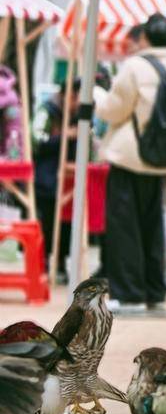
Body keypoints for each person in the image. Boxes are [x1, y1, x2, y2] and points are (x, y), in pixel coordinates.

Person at [94, 14, 166, 314]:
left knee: (124, 226)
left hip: (129, 155)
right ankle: (155, 290)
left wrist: (96, 95)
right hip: (160, 158)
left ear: (144, 37)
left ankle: (130, 295)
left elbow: (112, 111)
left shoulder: (135, 66)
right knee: (153, 226)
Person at [33, 79, 80, 281]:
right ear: (69, 95)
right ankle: (44, 265)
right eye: (77, 97)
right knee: (48, 224)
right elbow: (36, 142)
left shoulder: (78, 115)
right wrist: (64, 136)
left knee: (66, 224)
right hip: (47, 179)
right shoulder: (47, 111)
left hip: (69, 178)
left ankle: (60, 264)